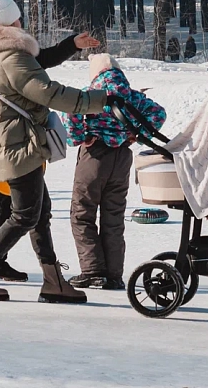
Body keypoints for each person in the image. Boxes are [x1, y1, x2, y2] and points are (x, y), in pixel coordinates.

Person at [0, 0, 114, 304]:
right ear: (7, 22)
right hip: (17, 147)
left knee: (39, 213)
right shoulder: (10, 56)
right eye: (16, 18)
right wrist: (103, 100)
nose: (21, 23)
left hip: (2, 145)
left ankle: (53, 281)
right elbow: (50, 93)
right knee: (26, 214)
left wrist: (69, 45)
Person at [65, 54, 167, 290]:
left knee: (82, 214)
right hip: (122, 157)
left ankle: (92, 271)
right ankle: (113, 275)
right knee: (113, 218)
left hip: (94, 157)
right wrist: (136, 135)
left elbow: (70, 113)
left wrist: (81, 137)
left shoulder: (89, 93)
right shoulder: (133, 96)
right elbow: (159, 114)